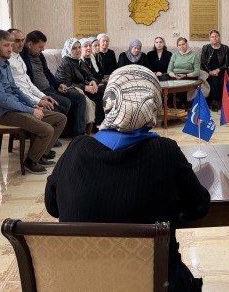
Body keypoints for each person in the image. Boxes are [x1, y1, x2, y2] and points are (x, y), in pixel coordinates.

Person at [45, 64, 209, 291]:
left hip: (86, 282)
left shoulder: (76, 148)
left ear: (109, 100)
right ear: (152, 103)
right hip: (154, 282)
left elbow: (53, 206)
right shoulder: (165, 151)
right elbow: (198, 207)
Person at [0, 30, 66, 175]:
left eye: (11, 45)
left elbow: (15, 89)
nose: (10, 49)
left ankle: (40, 155)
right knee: (47, 129)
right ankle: (30, 162)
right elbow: (3, 100)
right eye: (6, 45)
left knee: (60, 119)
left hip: (15, 107)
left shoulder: (5, 63)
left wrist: (30, 104)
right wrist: (31, 110)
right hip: (4, 113)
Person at [20, 30, 87, 137]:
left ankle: (79, 134)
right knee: (65, 102)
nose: (43, 49)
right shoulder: (21, 57)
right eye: (40, 47)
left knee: (79, 98)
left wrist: (58, 84)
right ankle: (52, 135)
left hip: (51, 88)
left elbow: (47, 72)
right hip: (39, 92)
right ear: (29, 44)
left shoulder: (40, 55)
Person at [7, 28, 64, 153]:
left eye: (22, 40)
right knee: (57, 115)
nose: (21, 44)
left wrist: (42, 96)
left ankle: (43, 151)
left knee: (61, 111)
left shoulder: (18, 57)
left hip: (29, 97)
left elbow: (28, 82)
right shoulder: (7, 62)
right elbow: (17, 89)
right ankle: (38, 153)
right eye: (17, 41)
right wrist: (37, 101)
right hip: (20, 103)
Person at [56, 38, 106, 127]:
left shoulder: (79, 60)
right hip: (74, 90)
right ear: (68, 49)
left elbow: (89, 75)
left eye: (79, 47)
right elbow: (64, 84)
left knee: (102, 89)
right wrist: (85, 87)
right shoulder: (66, 63)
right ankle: (97, 124)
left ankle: (100, 124)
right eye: (74, 48)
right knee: (98, 92)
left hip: (82, 88)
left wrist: (93, 81)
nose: (78, 50)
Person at [167, 37, 201, 108]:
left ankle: (182, 107)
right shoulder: (175, 55)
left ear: (187, 44)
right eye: (179, 45)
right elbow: (169, 70)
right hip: (176, 75)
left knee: (181, 85)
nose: (181, 46)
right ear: (177, 46)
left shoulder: (194, 55)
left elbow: (197, 72)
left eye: (183, 44)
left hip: (189, 76)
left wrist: (185, 75)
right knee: (169, 86)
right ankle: (170, 107)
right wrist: (174, 76)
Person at [200, 30, 229, 112]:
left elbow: (227, 63)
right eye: (212, 37)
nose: (214, 38)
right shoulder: (205, 48)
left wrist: (218, 70)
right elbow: (203, 62)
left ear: (219, 37)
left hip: (221, 70)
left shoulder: (225, 48)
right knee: (214, 80)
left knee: (218, 79)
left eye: (216, 36)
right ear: (210, 38)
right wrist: (210, 72)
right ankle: (215, 103)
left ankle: (216, 103)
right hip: (208, 71)